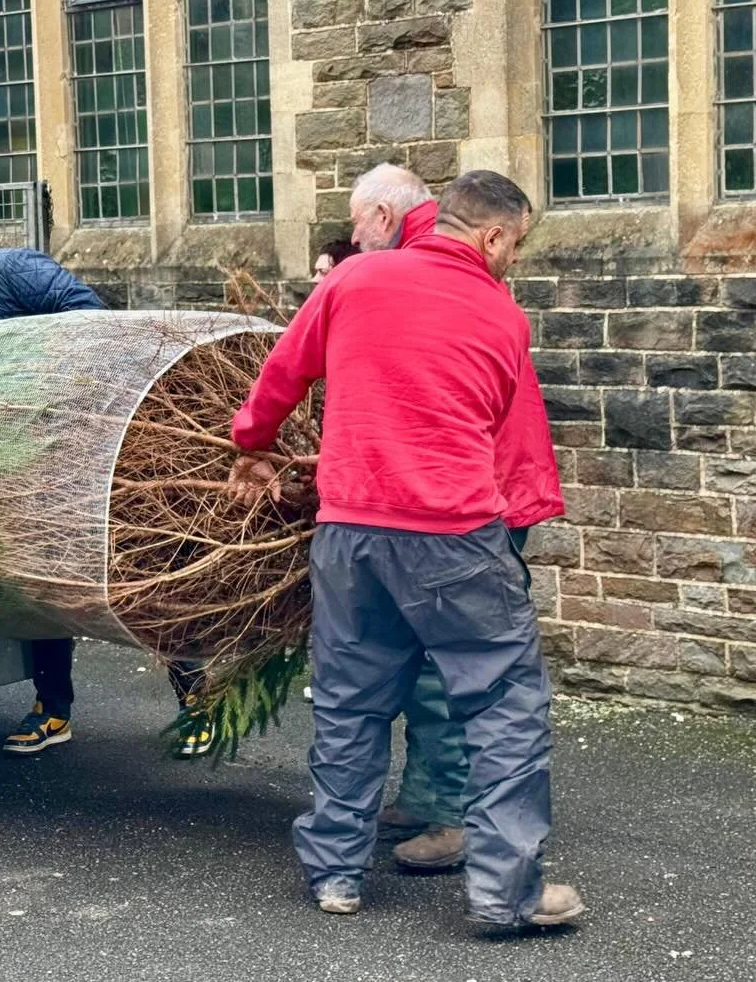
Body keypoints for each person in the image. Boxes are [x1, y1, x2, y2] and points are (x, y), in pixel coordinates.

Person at [228, 171, 583, 927]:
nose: (513, 260)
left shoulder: (353, 279)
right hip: (455, 538)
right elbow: (494, 427)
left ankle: (336, 875)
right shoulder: (501, 314)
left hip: (351, 534)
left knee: (350, 704)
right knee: (504, 707)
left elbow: (284, 371)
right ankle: (506, 894)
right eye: (515, 245)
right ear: (492, 235)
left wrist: (252, 444)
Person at [0, 209, 214, 758]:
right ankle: (53, 711)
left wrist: (36, 380)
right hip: (35, 476)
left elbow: (94, 322)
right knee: (44, 587)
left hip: (104, 457)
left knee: (137, 572)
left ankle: (198, 703)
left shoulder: (15, 271)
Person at [345, 164, 564, 873]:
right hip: (473, 487)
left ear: (384, 217)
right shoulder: (445, 258)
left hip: (474, 497)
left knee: (448, 664)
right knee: (422, 656)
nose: (352, 241)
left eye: (356, 226)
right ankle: (427, 794)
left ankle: (453, 813)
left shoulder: (422, 264)